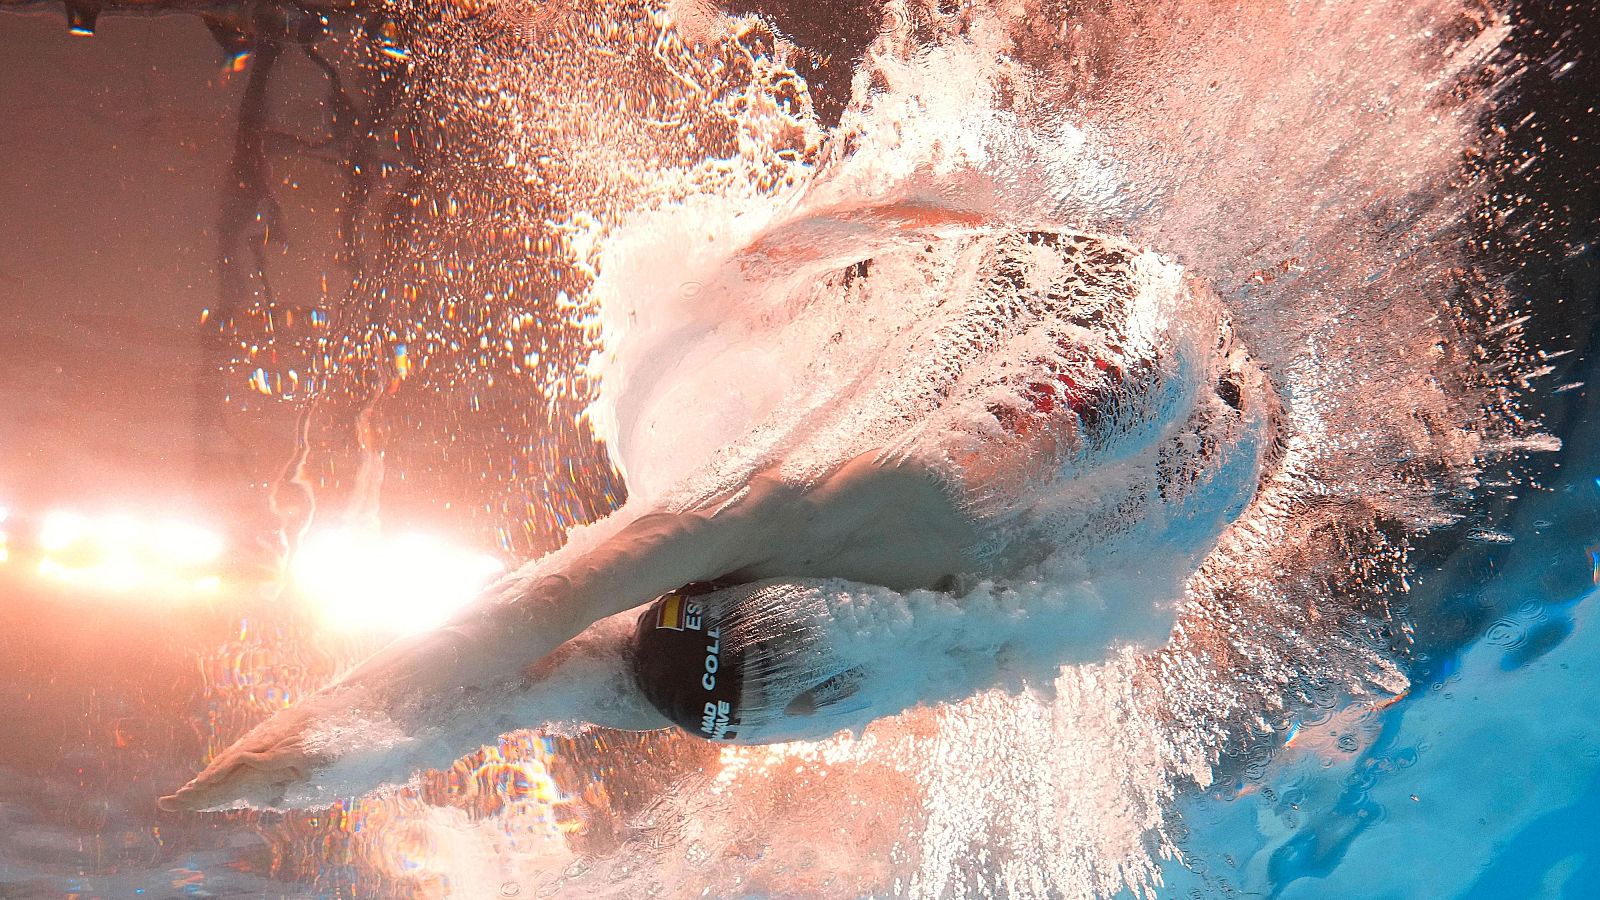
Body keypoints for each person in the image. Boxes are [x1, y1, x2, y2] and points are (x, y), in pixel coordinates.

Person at [160, 225, 1275, 811]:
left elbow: (520, 653)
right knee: (1106, 413)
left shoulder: (926, 582)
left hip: (1158, 402)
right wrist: (277, 766)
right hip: (1125, 365)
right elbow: (514, 641)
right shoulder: (808, 541)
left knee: (1107, 422)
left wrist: (293, 766)